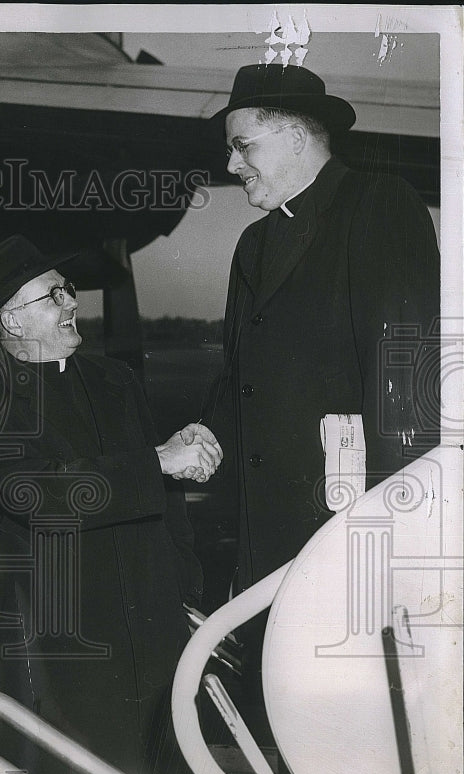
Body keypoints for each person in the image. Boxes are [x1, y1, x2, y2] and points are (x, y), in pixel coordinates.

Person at [0, 234, 222, 774]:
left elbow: (170, 511)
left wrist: (185, 590)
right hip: (68, 650)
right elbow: (41, 496)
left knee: (173, 773)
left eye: (68, 290)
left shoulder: (116, 381)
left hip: (155, 629)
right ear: (12, 322)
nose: (73, 302)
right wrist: (159, 461)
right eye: (53, 296)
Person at [204, 63, 441, 594]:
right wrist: (205, 432)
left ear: (292, 139)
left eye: (243, 146)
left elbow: (406, 382)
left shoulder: (378, 204)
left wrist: (397, 525)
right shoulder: (253, 243)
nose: (231, 163)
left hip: (350, 522)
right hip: (265, 529)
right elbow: (241, 375)